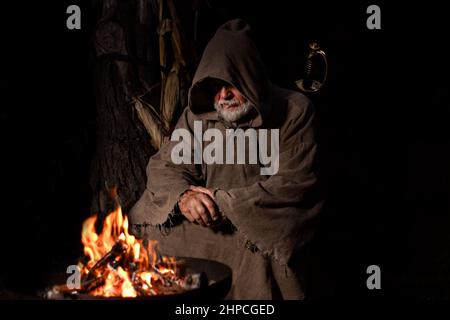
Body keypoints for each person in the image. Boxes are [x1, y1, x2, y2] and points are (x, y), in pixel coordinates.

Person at [129, 19, 322, 299]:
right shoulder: (198, 116)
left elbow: (296, 185)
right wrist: (185, 197)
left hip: (259, 224)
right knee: (153, 235)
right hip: (210, 225)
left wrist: (224, 202)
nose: (224, 95)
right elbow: (167, 165)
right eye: (215, 86)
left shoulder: (295, 111)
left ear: (251, 76)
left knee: (261, 251)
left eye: (232, 83)